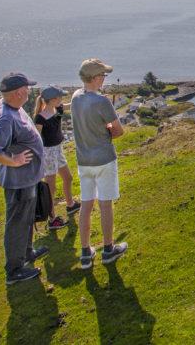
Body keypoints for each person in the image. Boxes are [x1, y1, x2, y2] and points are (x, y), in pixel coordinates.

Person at [0, 72, 49, 285]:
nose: (29, 91)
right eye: (27, 88)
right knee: (17, 223)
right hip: (19, 181)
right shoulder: (6, 117)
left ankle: (27, 252)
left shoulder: (10, 106)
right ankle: (14, 270)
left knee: (27, 218)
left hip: (27, 178)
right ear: (19, 92)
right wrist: (15, 160)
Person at [71, 58, 127, 269]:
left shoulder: (76, 97)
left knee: (86, 204)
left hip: (83, 159)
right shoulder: (102, 102)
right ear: (94, 78)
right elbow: (118, 131)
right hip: (103, 158)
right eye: (103, 75)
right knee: (105, 204)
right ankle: (108, 249)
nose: (105, 78)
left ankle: (85, 252)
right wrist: (108, 129)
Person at [34, 85, 80, 230]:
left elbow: (71, 105)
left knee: (68, 178)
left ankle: (70, 204)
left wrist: (86, 97)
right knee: (51, 188)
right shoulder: (40, 117)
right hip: (47, 153)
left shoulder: (58, 109)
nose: (63, 100)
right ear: (53, 99)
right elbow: (36, 138)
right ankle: (52, 219)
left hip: (58, 150)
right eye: (61, 97)